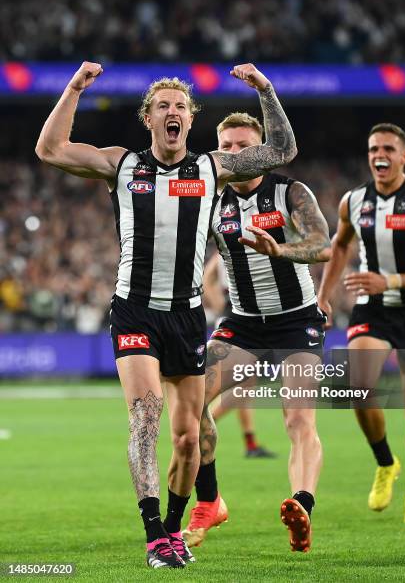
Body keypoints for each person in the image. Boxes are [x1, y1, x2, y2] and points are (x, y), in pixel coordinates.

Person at [35, 62, 297, 568]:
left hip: (187, 317)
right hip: (135, 312)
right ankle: (154, 533)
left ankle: (173, 530)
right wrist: (73, 89)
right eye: (163, 107)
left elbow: (282, 150)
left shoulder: (212, 168)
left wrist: (265, 89)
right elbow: (49, 149)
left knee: (187, 436)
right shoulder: (121, 164)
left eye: (180, 106)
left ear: (190, 119)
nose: (172, 113)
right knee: (145, 419)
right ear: (148, 119)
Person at [182, 112, 331, 552]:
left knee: (298, 417)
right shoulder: (211, 200)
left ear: (263, 150)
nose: (234, 154)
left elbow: (321, 244)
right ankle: (209, 500)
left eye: (244, 145)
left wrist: (280, 249)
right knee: (190, 402)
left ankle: (301, 504)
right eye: (225, 146)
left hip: (296, 321)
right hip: (242, 325)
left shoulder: (289, 192)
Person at [318, 123, 405, 524]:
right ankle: (385, 462)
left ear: (404, 157)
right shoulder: (353, 200)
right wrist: (323, 296)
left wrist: (390, 280)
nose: (380, 154)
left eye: (389, 149)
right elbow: (340, 244)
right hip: (371, 307)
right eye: (374, 147)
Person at [203, 250, 277, 458]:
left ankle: (250, 442)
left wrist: (218, 303)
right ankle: (205, 422)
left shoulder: (226, 248)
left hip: (235, 312)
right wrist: (219, 305)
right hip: (237, 315)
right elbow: (207, 278)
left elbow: (207, 277)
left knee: (246, 384)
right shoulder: (232, 247)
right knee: (243, 384)